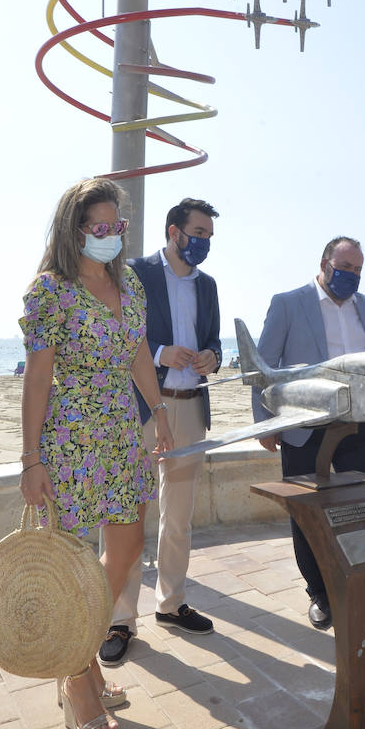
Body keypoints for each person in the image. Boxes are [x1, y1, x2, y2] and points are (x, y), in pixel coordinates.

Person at [17, 177, 173, 729]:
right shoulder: (49, 291)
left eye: (118, 227)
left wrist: (157, 408)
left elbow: (136, 349)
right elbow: (37, 376)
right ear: (74, 230)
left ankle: (77, 648)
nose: (110, 236)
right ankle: (78, 678)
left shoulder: (128, 282)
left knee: (129, 547)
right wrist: (31, 458)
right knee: (75, 560)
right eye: (98, 227)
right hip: (70, 438)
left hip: (121, 434)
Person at [103, 198, 222, 665]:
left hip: (190, 408)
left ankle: (170, 604)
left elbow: (211, 337)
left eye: (209, 236)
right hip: (141, 409)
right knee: (127, 516)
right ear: (174, 230)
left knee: (179, 517)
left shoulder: (208, 285)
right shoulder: (135, 272)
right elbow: (117, 333)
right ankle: (118, 618)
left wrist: (211, 356)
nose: (204, 242)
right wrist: (158, 353)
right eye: (198, 232)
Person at [253, 236, 365, 630]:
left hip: (355, 426)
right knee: (306, 513)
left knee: (358, 509)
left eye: (357, 269)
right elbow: (264, 364)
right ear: (325, 263)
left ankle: (354, 583)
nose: (351, 275)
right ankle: (319, 594)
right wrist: (264, 422)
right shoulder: (289, 303)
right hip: (303, 428)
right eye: (345, 266)